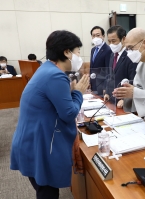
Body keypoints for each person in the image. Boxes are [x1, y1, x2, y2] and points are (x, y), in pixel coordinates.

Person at [10, 30, 90, 199]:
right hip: (39, 146)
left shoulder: (46, 68)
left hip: (31, 140)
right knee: (47, 193)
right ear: (67, 52)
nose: (79, 56)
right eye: (77, 52)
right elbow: (68, 113)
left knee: (45, 190)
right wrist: (78, 93)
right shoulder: (55, 76)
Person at [104, 25, 137, 108]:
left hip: (124, 103)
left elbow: (133, 80)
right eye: (109, 41)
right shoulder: (112, 55)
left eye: (114, 41)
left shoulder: (131, 56)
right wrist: (107, 92)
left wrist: (125, 99)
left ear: (123, 39)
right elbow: (110, 76)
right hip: (112, 99)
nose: (111, 44)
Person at [90, 26, 112, 94]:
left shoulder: (108, 50)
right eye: (93, 35)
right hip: (93, 83)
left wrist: (106, 87)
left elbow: (108, 70)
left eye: (98, 35)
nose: (95, 37)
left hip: (102, 84)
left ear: (103, 36)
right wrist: (90, 81)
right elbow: (92, 67)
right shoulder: (93, 50)